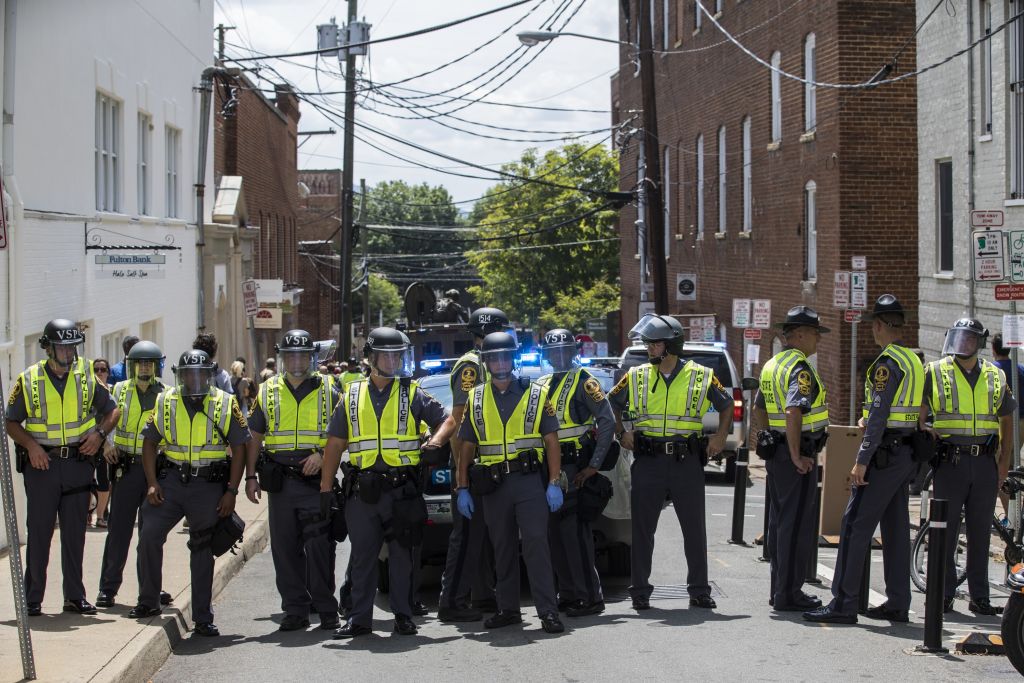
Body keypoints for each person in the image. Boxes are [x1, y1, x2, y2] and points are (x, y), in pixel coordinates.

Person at [321, 327, 456, 638]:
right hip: (362, 493)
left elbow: (447, 420)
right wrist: (326, 489)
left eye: (397, 355)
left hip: (402, 491)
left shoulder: (412, 392)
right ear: (371, 358)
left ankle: (404, 615)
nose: (394, 360)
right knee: (364, 557)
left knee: (401, 558)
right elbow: (334, 444)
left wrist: (434, 443)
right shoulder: (351, 396)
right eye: (387, 355)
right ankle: (359, 620)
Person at [802, 295, 924, 624]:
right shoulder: (913, 359)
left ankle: (843, 602)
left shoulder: (885, 364)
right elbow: (908, 411)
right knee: (896, 529)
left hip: (885, 454)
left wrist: (861, 461)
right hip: (906, 452)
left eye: (874, 324)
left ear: (880, 326)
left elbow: (881, 415)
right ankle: (898, 602)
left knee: (854, 525)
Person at [609, 313, 732, 611]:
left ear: (671, 345)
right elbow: (609, 402)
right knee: (642, 530)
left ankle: (699, 590)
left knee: (693, 529)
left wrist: (719, 438)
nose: (649, 348)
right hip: (648, 461)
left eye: (654, 344)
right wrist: (621, 432)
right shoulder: (637, 374)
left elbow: (727, 404)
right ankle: (639, 591)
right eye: (648, 344)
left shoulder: (701, 375)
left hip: (685, 461)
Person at [130, 349, 249, 637]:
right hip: (170, 480)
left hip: (207, 485)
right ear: (180, 376)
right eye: (188, 375)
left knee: (202, 547)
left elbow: (240, 449)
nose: (194, 380)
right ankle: (148, 600)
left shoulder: (225, 402)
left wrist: (232, 491)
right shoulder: (166, 400)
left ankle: (203, 617)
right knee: (149, 535)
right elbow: (149, 442)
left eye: (200, 374)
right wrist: (151, 482)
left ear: (209, 375)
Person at [5, 319, 119, 616]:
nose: (68, 354)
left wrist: (99, 435)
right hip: (42, 465)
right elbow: (11, 421)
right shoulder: (28, 379)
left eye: (72, 348)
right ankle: (32, 598)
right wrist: (31, 447)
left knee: (74, 535)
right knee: (40, 533)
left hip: (78, 464)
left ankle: (74, 596)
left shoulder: (86, 374)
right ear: (48, 348)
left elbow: (113, 410)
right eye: (62, 348)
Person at [455, 331, 565, 634]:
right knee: (501, 548)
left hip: (529, 482)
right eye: (494, 357)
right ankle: (508, 609)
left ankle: (547, 611)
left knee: (536, 544)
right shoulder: (475, 397)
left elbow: (551, 440)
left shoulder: (536, 392)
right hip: (493, 486)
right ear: (486, 362)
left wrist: (554, 481)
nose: (500, 362)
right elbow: (466, 446)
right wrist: (462, 487)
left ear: (513, 359)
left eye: (506, 356)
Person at [245, 330, 342, 632]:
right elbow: (254, 437)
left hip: (315, 482)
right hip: (281, 484)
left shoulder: (331, 389)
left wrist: (321, 454)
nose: (297, 361)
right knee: (285, 549)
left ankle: (327, 610)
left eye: (303, 355)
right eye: (291, 355)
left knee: (318, 547)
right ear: (283, 358)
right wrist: (250, 477)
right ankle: (295, 610)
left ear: (313, 357)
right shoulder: (267, 390)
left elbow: (346, 434)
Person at [919, 318, 1013, 616]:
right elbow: (919, 411)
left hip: (984, 462)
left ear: (980, 342)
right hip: (950, 462)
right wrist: (924, 428)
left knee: (981, 532)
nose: (963, 343)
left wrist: (1003, 466)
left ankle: (980, 596)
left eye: (970, 339)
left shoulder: (994, 375)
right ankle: (943, 593)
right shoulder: (935, 371)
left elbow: (1007, 422)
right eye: (959, 337)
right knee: (944, 532)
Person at [750, 306, 830, 612]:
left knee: (780, 524)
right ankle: (789, 593)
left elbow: (759, 406)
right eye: (814, 334)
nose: (817, 341)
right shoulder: (799, 368)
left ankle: (779, 590)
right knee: (795, 527)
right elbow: (794, 410)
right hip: (797, 456)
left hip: (779, 454)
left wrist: (769, 435)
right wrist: (796, 455)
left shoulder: (773, 364)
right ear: (798, 335)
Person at [437, 306, 510, 622]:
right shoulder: (471, 366)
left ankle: (482, 595)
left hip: (487, 466)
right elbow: (457, 420)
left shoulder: (489, 362)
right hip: (471, 467)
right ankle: (451, 601)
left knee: (481, 537)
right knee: (466, 536)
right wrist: (461, 474)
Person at [536, 328, 614, 617]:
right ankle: (567, 594)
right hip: (549, 467)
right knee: (554, 535)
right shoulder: (542, 383)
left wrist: (594, 464)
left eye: (563, 352)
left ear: (573, 353)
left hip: (575, 466)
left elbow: (607, 421)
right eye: (552, 352)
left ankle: (589, 597)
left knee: (574, 535)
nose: (558, 357)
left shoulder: (584, 381)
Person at [96, 341, 173, 609]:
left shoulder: (167, 394)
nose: (143, 367)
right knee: (118, 531)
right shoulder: (118, 390)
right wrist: (106, 444)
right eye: (139, 363)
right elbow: (99, 417)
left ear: (156, 366)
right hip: (126, 468)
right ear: (131, 366)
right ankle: (107, 588)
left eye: (148, 363)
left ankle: (151, 588)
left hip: (157, 471)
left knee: (151, 533)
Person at [991, 333, 1024, 521]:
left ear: (993, 349)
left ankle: (1012, 518)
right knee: (1013, 468)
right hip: (1022, 422)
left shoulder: (991, 371)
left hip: (1004, 423)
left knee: (1000, 470)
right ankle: (1015, 515)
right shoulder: (1020, 368)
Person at [92, 358, 113, 528]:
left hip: (106, 443)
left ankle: (101, 515)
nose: (99, 372)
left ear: (108, 372)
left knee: (104, 480)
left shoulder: (112, 392)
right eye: (96, 369)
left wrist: (107, 443)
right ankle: (87, 514)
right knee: (85, 481)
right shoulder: (88, 391)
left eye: (103, 369)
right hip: (87, 441)